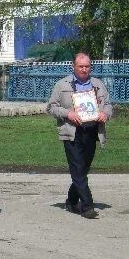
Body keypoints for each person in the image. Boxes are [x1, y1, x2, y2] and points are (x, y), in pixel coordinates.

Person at [47, 52, 113, 219]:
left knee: (82, 170)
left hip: (92, 132)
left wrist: (105, 114)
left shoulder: (97, 84)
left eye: (87, 66)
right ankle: (87, 205)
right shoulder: (62, 85)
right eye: (81, 66)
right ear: (73, 67)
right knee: (77, 168)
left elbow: (109, 105)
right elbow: (51, 107)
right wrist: (68, 114)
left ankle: (71, 200)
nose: (84, 69)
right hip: (72, 132)